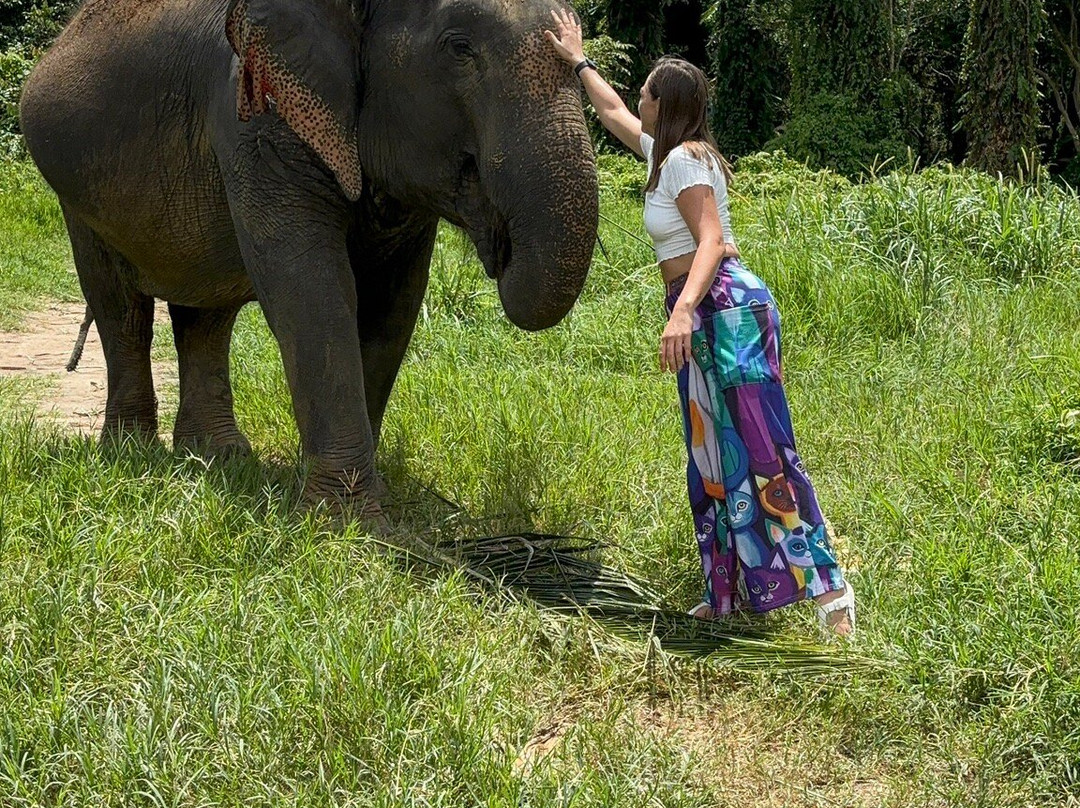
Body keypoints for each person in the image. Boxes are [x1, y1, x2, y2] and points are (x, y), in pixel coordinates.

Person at [545, 8, 855, 635]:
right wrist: (577, 61)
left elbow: (711, 241)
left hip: (722, 309)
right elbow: (611, 115)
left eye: (648, 92)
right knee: (712, 452)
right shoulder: (665, 152)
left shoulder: (686, 159)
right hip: (703, 309)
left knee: (762, 448)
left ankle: (829, 590)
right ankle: (730, 589)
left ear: (669, 104)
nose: (639, 96)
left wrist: (683, 309)